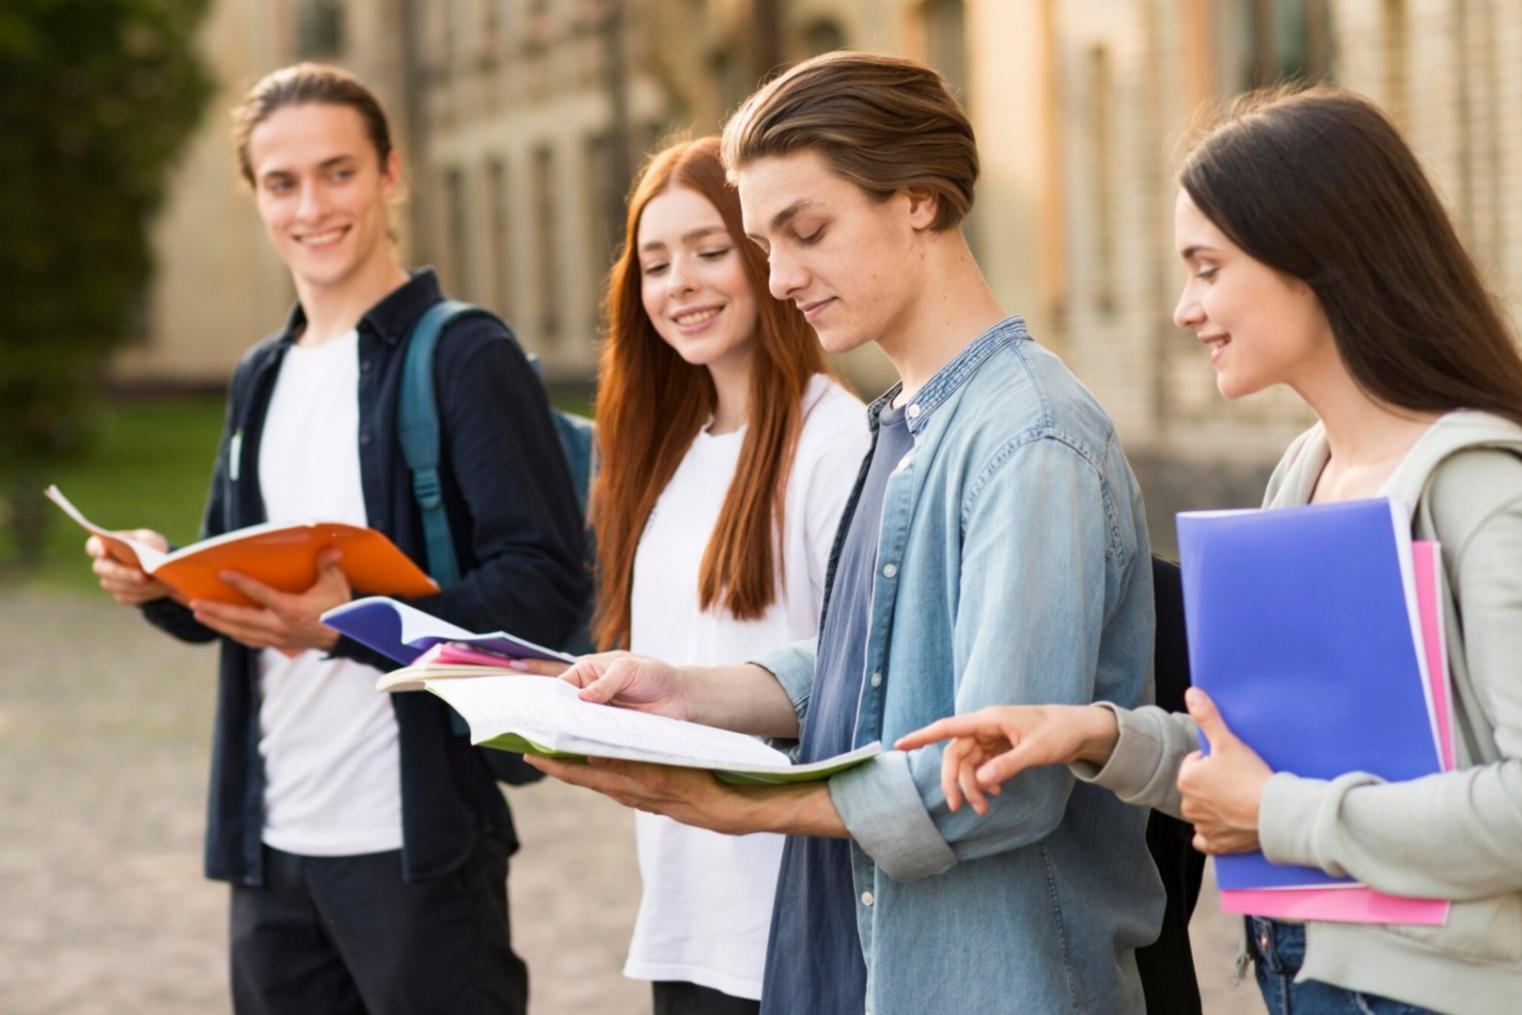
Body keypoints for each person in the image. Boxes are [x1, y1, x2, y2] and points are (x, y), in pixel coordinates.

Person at [517, 51, 1163, 1015]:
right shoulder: (906, 419)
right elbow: (877, 665)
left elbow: (1003, 775)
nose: (778, 279)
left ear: (919, 199)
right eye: (764, 243)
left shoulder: (1030, 438)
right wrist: (687, 692)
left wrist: (746, 803)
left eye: (806, 230)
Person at [898, 86, 1522, 1015]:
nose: (1186, 309)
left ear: (1314, 259)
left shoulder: (1482, 488)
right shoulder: (1301, 474)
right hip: (1302, 974)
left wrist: (1276, 814)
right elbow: (1259, 753)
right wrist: (1096, 733)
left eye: (1207, 267)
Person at [84, 63, 586, 1014]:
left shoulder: (466, 355)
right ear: (257, 197)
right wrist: (157, 580)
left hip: (418, 852)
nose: (312, 206)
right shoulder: (260, 376)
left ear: (391, 174)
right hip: (270, 852)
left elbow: (542, 587)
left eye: (338, 172)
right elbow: (231, 598)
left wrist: (351, 624)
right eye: (283, 183)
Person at [591, 134, 868, 1015]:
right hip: (685, 910)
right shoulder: (664, 453)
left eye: (711, 252)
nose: (681, 284)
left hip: (794, 919)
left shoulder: (837, 441)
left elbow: (859, 676)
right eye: (656, 263)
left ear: (767, 259)